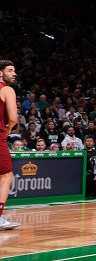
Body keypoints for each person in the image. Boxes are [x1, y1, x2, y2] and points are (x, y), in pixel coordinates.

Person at [0, 60, 20, 230]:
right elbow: (13, 118)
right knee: (6, 175)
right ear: (1, 73)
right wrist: (7, 131)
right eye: (10, 70)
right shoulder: (7, 89)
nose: (14, 73)